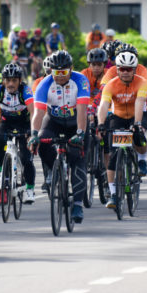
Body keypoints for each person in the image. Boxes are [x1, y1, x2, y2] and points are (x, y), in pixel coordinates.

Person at [30, 50, 90, 223]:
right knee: (42, 140)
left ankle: (78, 204)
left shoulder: (81, 81)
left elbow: (82, 111)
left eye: (64, 72)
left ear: (71, 70)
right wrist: (34, 135)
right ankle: (52, 170)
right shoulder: (44, 84)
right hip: (54, 121)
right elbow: (39, 113)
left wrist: (80, 133)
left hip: (75, 123)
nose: (60, 76)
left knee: (77, 159)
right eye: (56, 72)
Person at [96, 51, 147, 209]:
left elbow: (140, 102)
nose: (125, 72)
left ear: (134, 69)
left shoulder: (141, 82)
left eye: (129, 69)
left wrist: (138, 123)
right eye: (122, 69)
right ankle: (113, 194)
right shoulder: (111, 84)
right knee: (113, 156)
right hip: (117, 117)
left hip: (136, 115)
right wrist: (100, 124)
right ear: (117, 69)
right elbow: (104, 105)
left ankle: (141, 161)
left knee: (139, 140)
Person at [0, 63, 37, 204]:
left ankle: (30, 189)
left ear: (19, 81)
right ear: (3, 80)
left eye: (14, 80)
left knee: (26, 158)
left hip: (24, 124)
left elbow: (32, 111)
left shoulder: (25, 91)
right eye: (8, 80)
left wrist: (32, 131)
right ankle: (0, 172)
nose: (10, 83)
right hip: (6, 123)